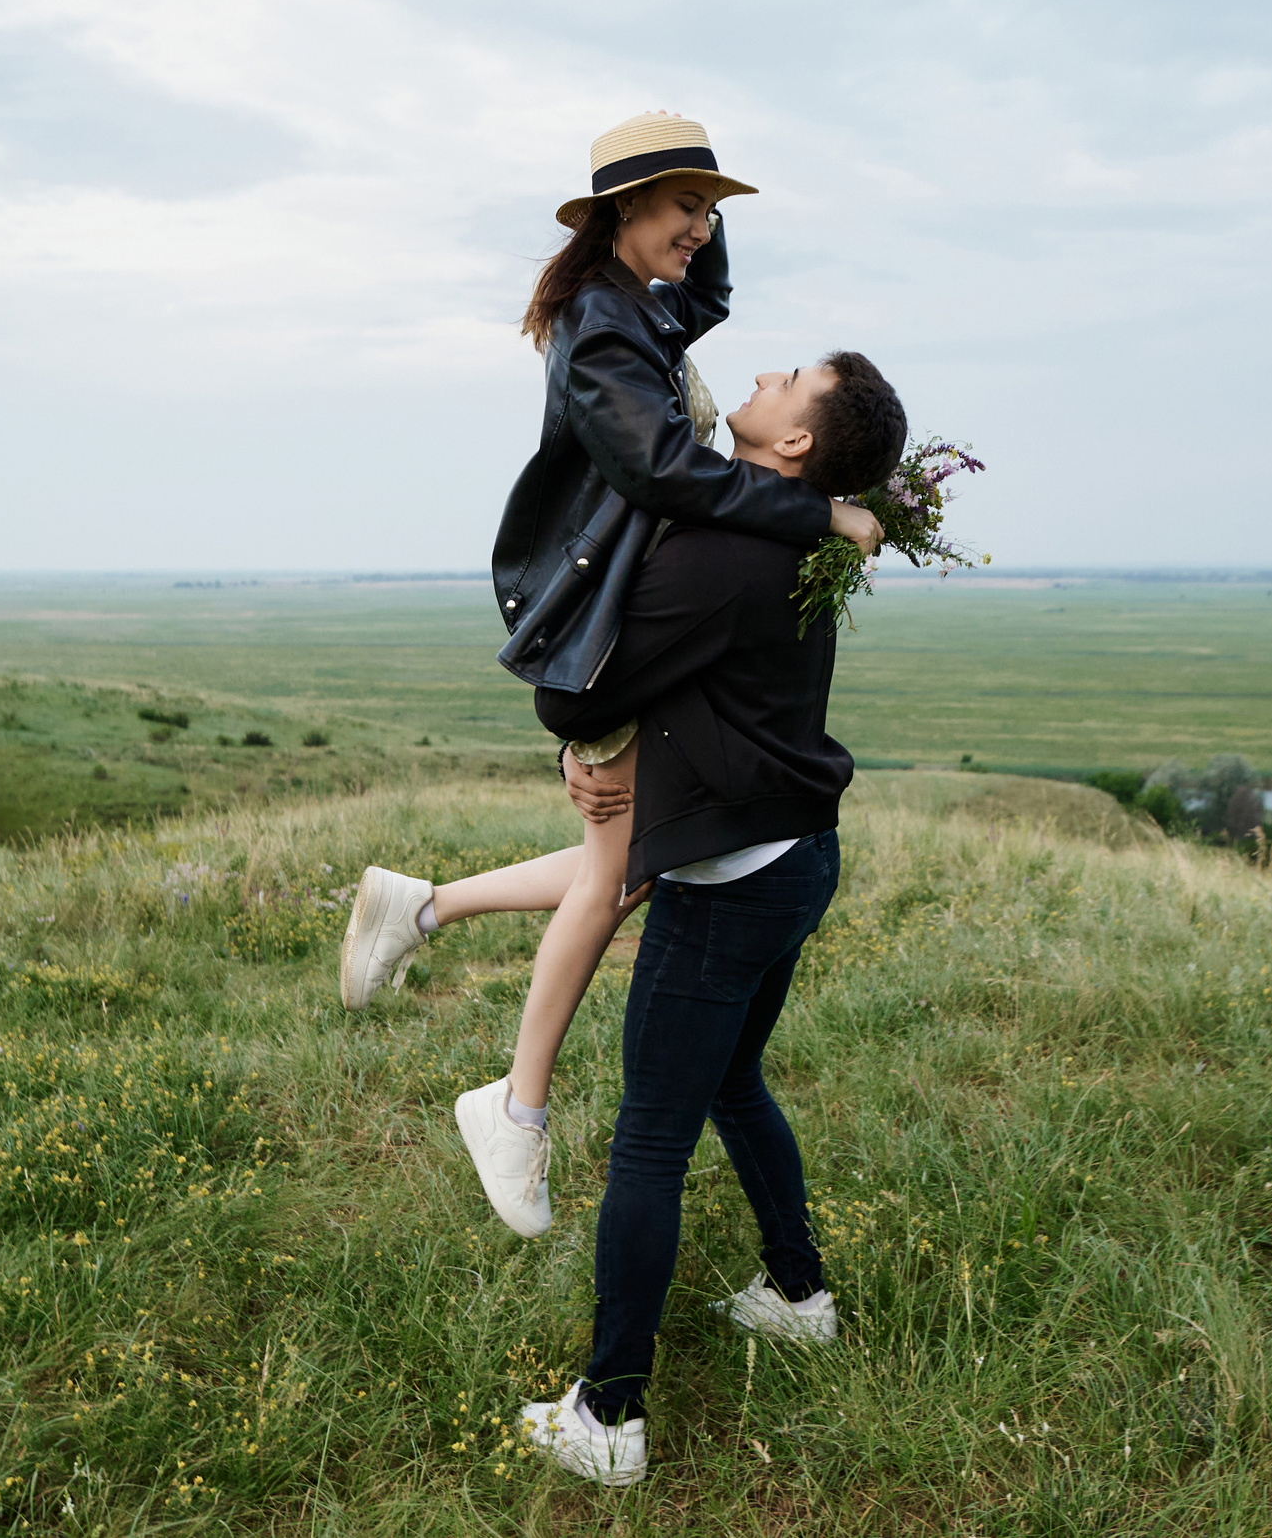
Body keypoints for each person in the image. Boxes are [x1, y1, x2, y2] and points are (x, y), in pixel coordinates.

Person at [335, 112, 884, 1240]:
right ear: (624, 210)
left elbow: (707, 290)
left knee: (626, 854)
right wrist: (818, 507)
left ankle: (423, 908)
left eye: (709, 212)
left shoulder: (647, 307)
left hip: (631, 610)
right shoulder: (601, 330)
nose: (699, 232)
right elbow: (665, 466)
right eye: (682, 207)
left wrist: (693, 213)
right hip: (597, 618)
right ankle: (514, 1105)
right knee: (618, 873)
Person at [501, 347, 908, 1487]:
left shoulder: (733, 544)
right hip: (794, 850)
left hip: (731, 880)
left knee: (647, 1141)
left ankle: (610, 1414)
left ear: (791, 446)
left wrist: (584, 740)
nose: (769, 370)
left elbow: (571, 688)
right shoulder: (795, 524)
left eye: (793, 379)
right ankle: (794, 1290)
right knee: (731, 1083)